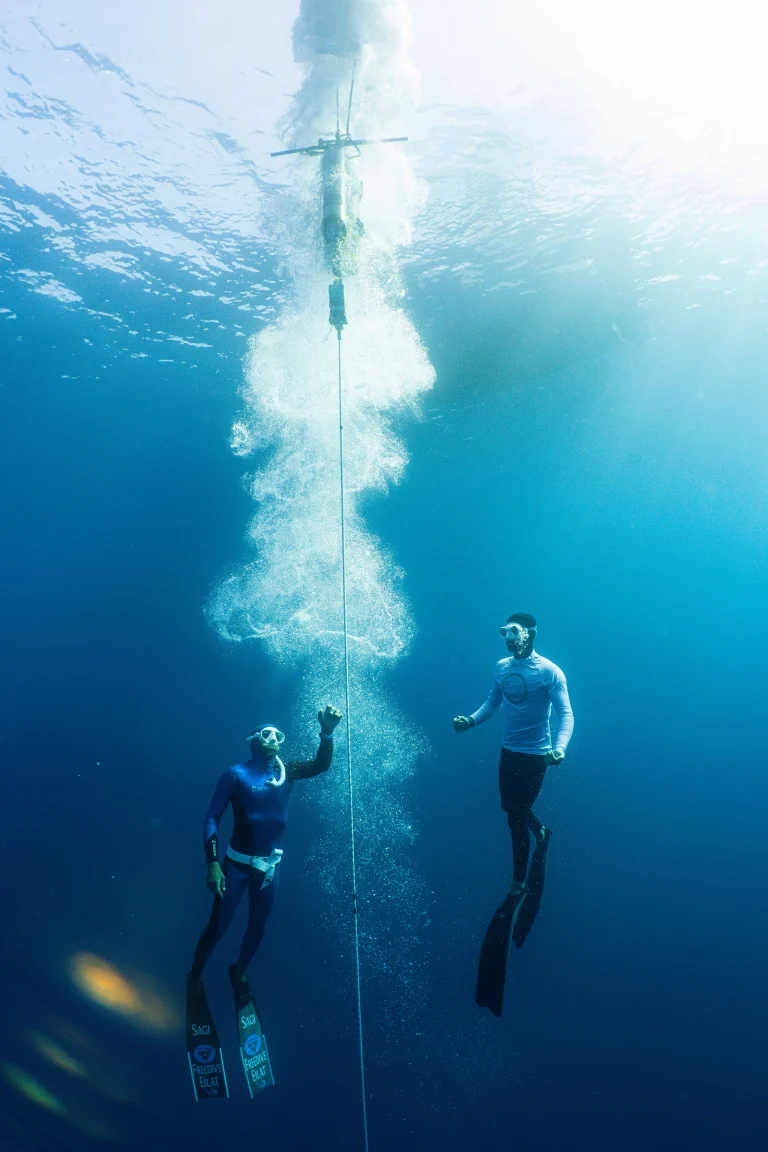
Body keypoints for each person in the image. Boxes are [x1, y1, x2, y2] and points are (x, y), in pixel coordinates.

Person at [188, 705, 342, 1005]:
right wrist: (213, 865)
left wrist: (327, 732)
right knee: (219, 926)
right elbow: (211, 818)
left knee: (259, 927)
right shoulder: (235, 774)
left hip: (270, 869)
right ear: (254, 740)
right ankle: (194, 976)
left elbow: (321, 765)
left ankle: (240, 972)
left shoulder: (289, 772)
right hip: (236, 866)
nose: (272, 738)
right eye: (266, 734)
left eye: (277, 735)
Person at [453, 613, 573, 915]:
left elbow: (566, 714)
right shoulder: (501, 668)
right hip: (508, 752)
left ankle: (518, 882)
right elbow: (492, 704)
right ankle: (541, 831)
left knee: (515, 817)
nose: (508, 637)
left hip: (536, 756)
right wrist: (470, 720)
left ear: (530, 634)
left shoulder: (549, 672)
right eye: (504, 632)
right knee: (509, 807)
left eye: (514, 631)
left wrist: (559, 749)